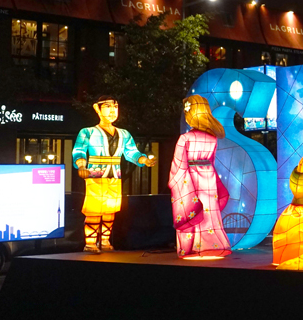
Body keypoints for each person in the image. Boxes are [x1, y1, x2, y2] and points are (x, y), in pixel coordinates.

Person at [73, 96, 156, 253]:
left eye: (115, 107)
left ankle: (105, 240)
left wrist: (143, 159)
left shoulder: (124, 134)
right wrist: (81, 165)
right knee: (94, 209)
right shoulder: (88, 132)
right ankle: (90, 243)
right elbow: (79, 150)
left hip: (115, 176)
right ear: (97, 109)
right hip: (95, 175)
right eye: (107, 106)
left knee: (110, 210)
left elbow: (131, 151)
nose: (112, 110)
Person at [168, 95, 232, 259]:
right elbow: (211, 160)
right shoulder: (212, 137)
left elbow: (178, 165)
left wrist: (175, 182)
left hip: (190, 178)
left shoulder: (185, 138)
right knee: (209, 212)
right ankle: (212, 245)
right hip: (208, 178)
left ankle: (192, 248)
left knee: (192, 209)